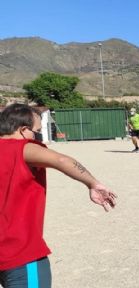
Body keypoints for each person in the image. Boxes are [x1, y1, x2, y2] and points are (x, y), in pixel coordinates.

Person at [0, 104, 117, 287]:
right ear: (23, 130)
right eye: (36, 132)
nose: (37, 137)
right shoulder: (22, 148)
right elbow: (62, 160)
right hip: (20, 253)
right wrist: (92, 183)